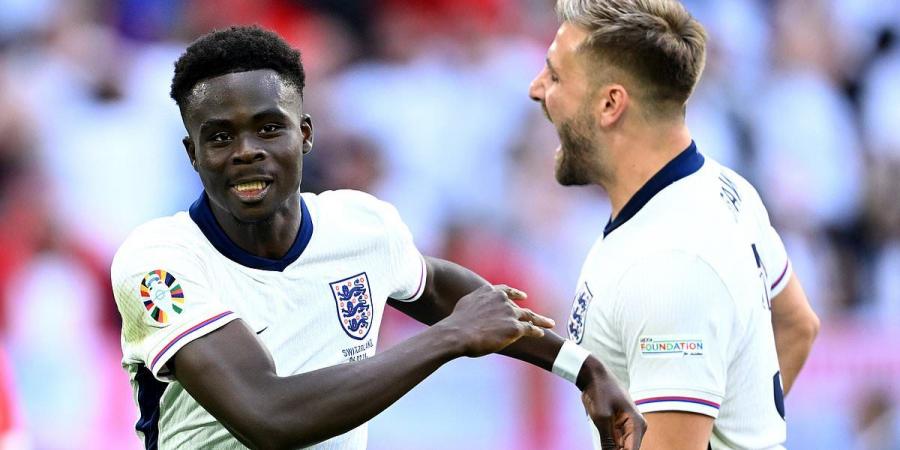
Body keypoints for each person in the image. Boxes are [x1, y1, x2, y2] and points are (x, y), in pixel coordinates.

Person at [111, 26, 645, 450]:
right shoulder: (159, 262)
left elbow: (433, 285)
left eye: (269, 127)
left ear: (306, 133)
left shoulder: (361, 225)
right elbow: (269, 417)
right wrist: (448, 339)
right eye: (220, 136)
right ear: (192, 154)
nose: (246, 150)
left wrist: (582, 368)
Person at [528, 1, 820, 449]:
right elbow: (798, 326)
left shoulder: (669, 264)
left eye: (555, 76)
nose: (536, 88)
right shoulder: (725, 186)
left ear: (610, 104)